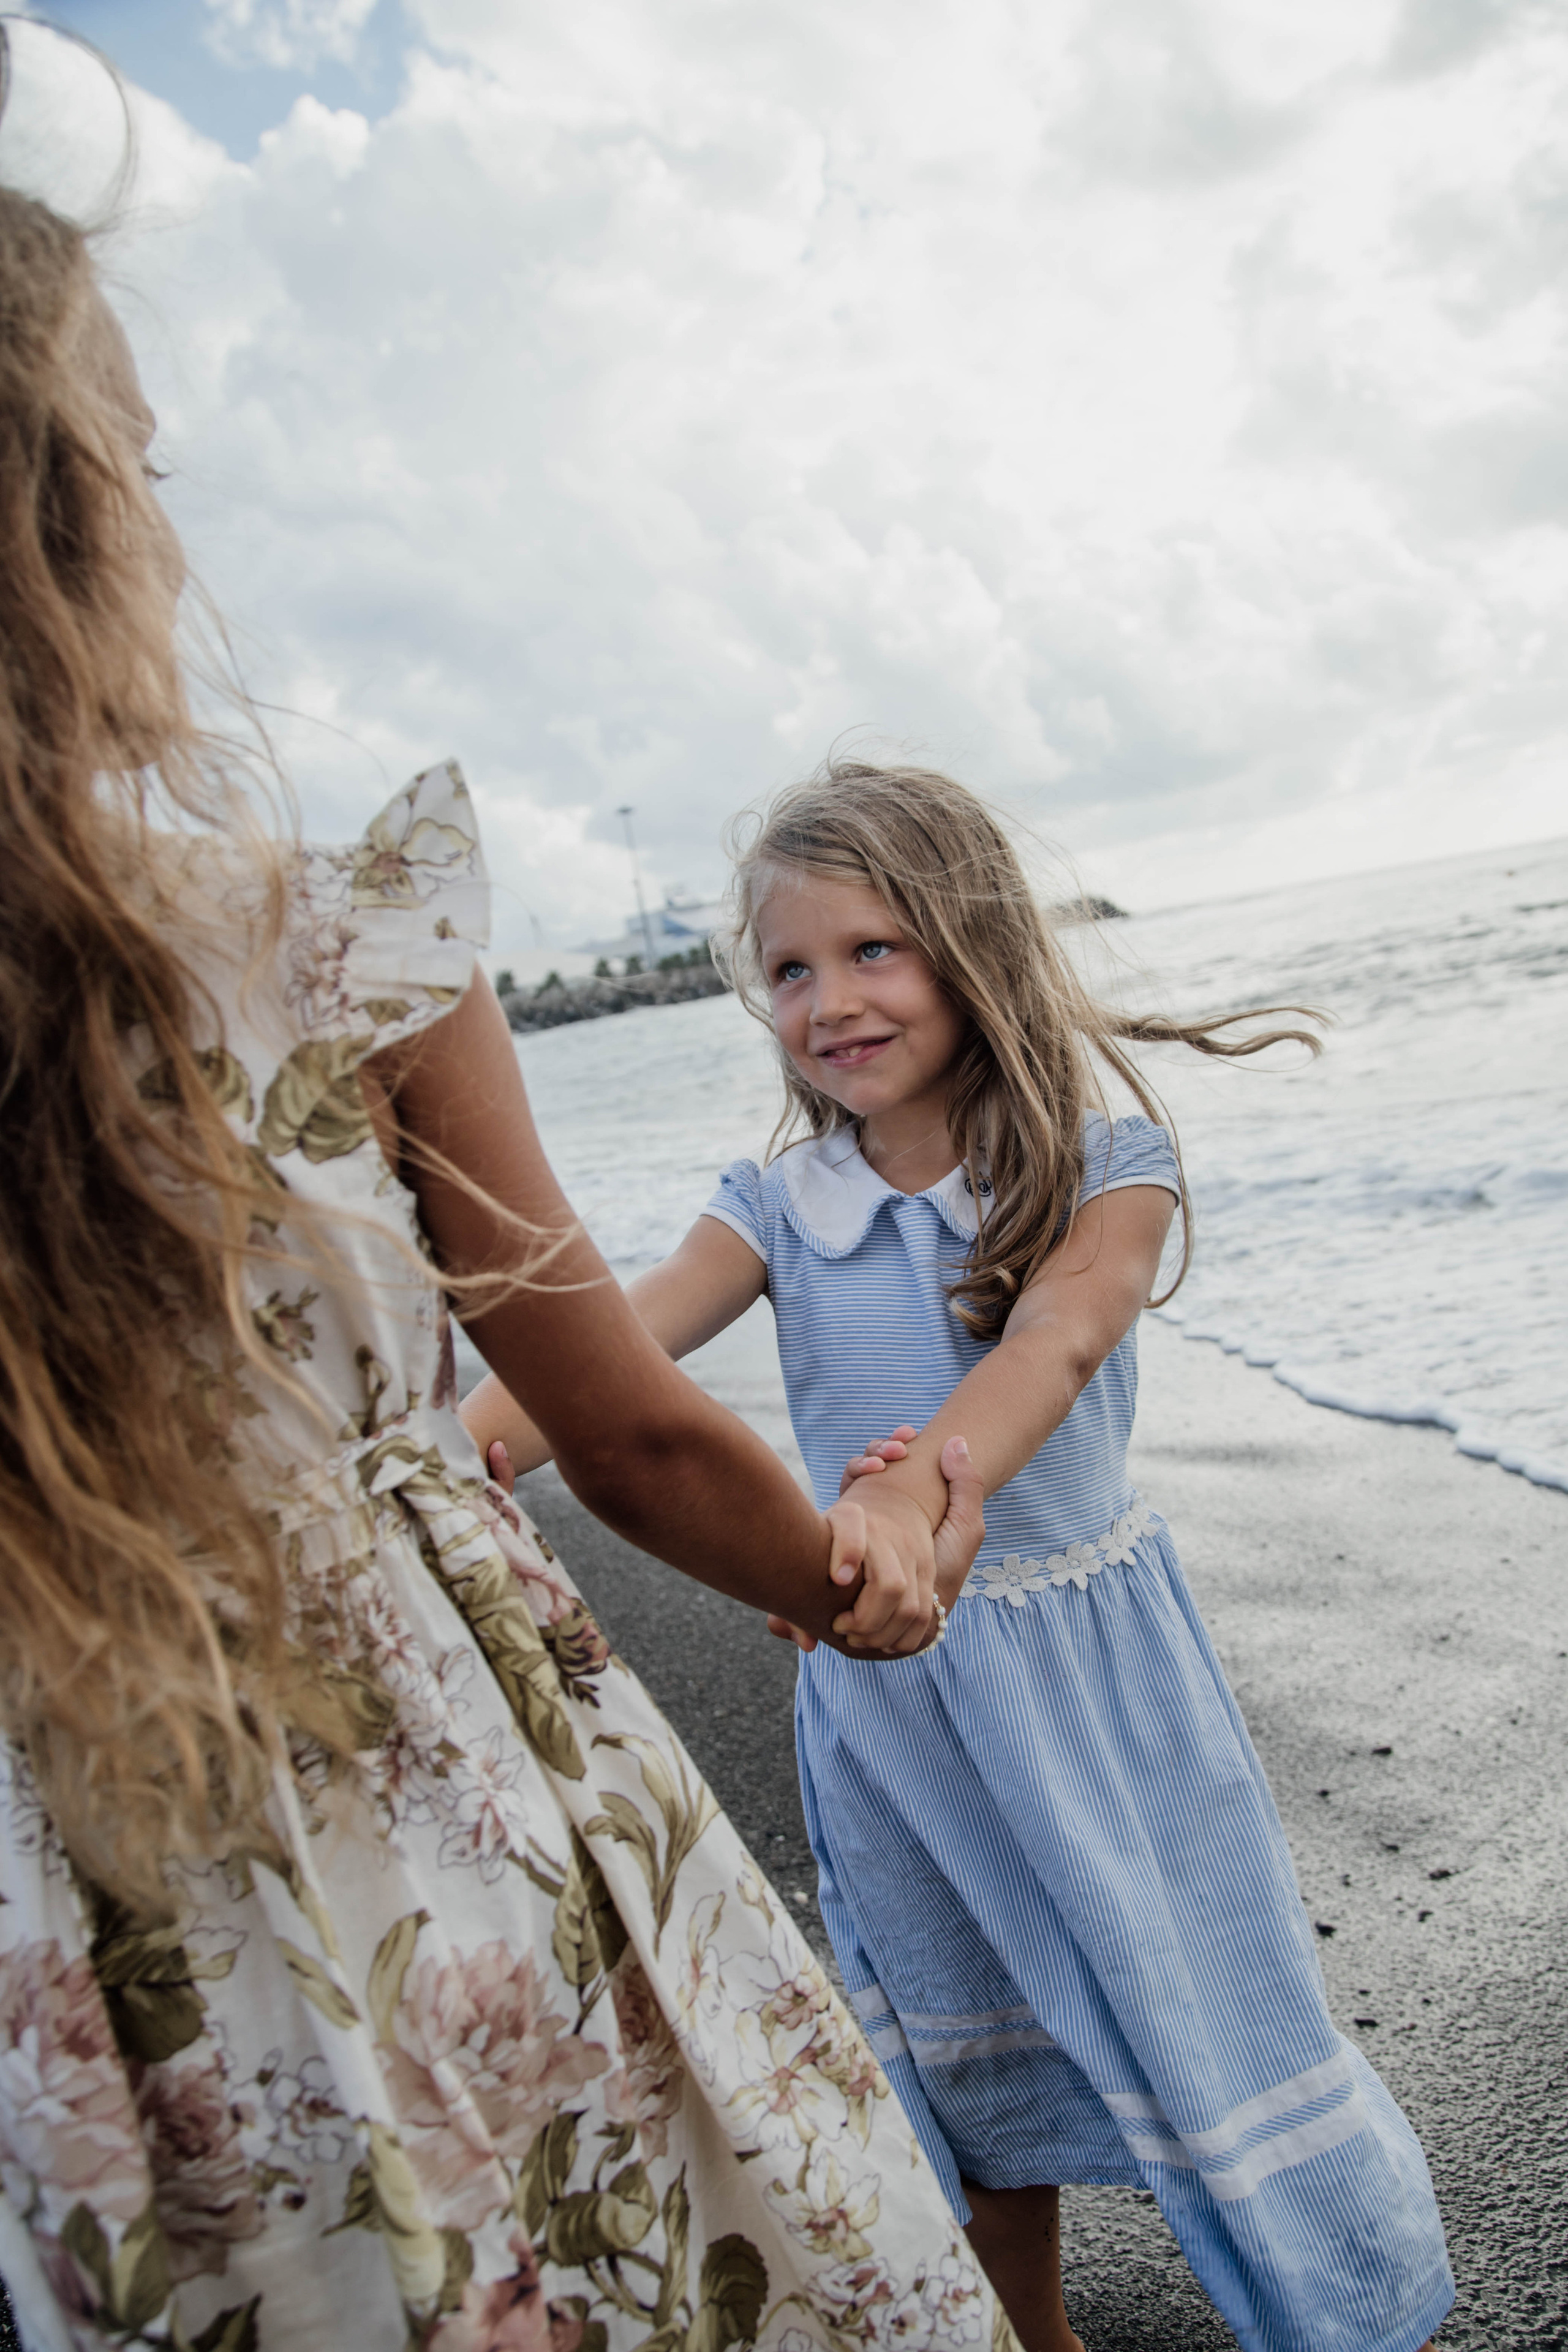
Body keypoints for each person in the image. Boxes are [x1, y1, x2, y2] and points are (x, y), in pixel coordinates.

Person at [0, 142, 1010, 2352]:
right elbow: (626, 1423)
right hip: (414, 1782)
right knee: (670, 2225)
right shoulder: (320, 945)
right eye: (140, 465)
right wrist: (843, 1583)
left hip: (73, 1883)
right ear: (73, 517)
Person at [466, 762, 1455, 2352]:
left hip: (1087, 1678)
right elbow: (620, 1350)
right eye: (789, 969)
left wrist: (918, 1500)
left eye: (873, 951)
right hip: (885, 1693)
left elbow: (1051, 1351)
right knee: (955, 2052)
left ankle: (1358, 2314)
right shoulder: (776, 1202)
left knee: (1210, 2013)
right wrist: (458, 1444)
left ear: (967, 943)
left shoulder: (1103, 1164)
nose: (829, 1000)